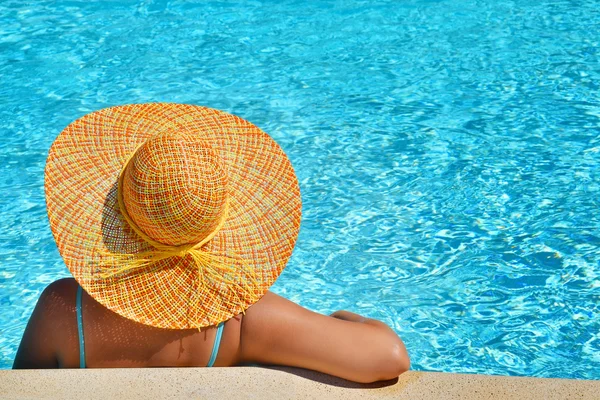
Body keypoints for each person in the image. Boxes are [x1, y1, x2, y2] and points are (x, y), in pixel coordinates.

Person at [13, 103, 410, 383]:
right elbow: (388, 358)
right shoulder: (242, 321)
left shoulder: (64, 311)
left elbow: (20, 388)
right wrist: (347, 317)